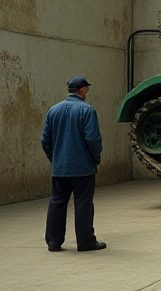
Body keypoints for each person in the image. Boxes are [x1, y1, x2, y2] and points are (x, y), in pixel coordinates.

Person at [41, 76, 106, 252]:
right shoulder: (87, 110)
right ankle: (85, 242)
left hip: (60, 168)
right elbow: (93, 139)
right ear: (83, 90)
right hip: (83, 168)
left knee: (57, 202)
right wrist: (95, 159)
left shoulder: (53, 110)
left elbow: (45, 140)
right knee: (83, 203)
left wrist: (55, 159)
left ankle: (53, 242)